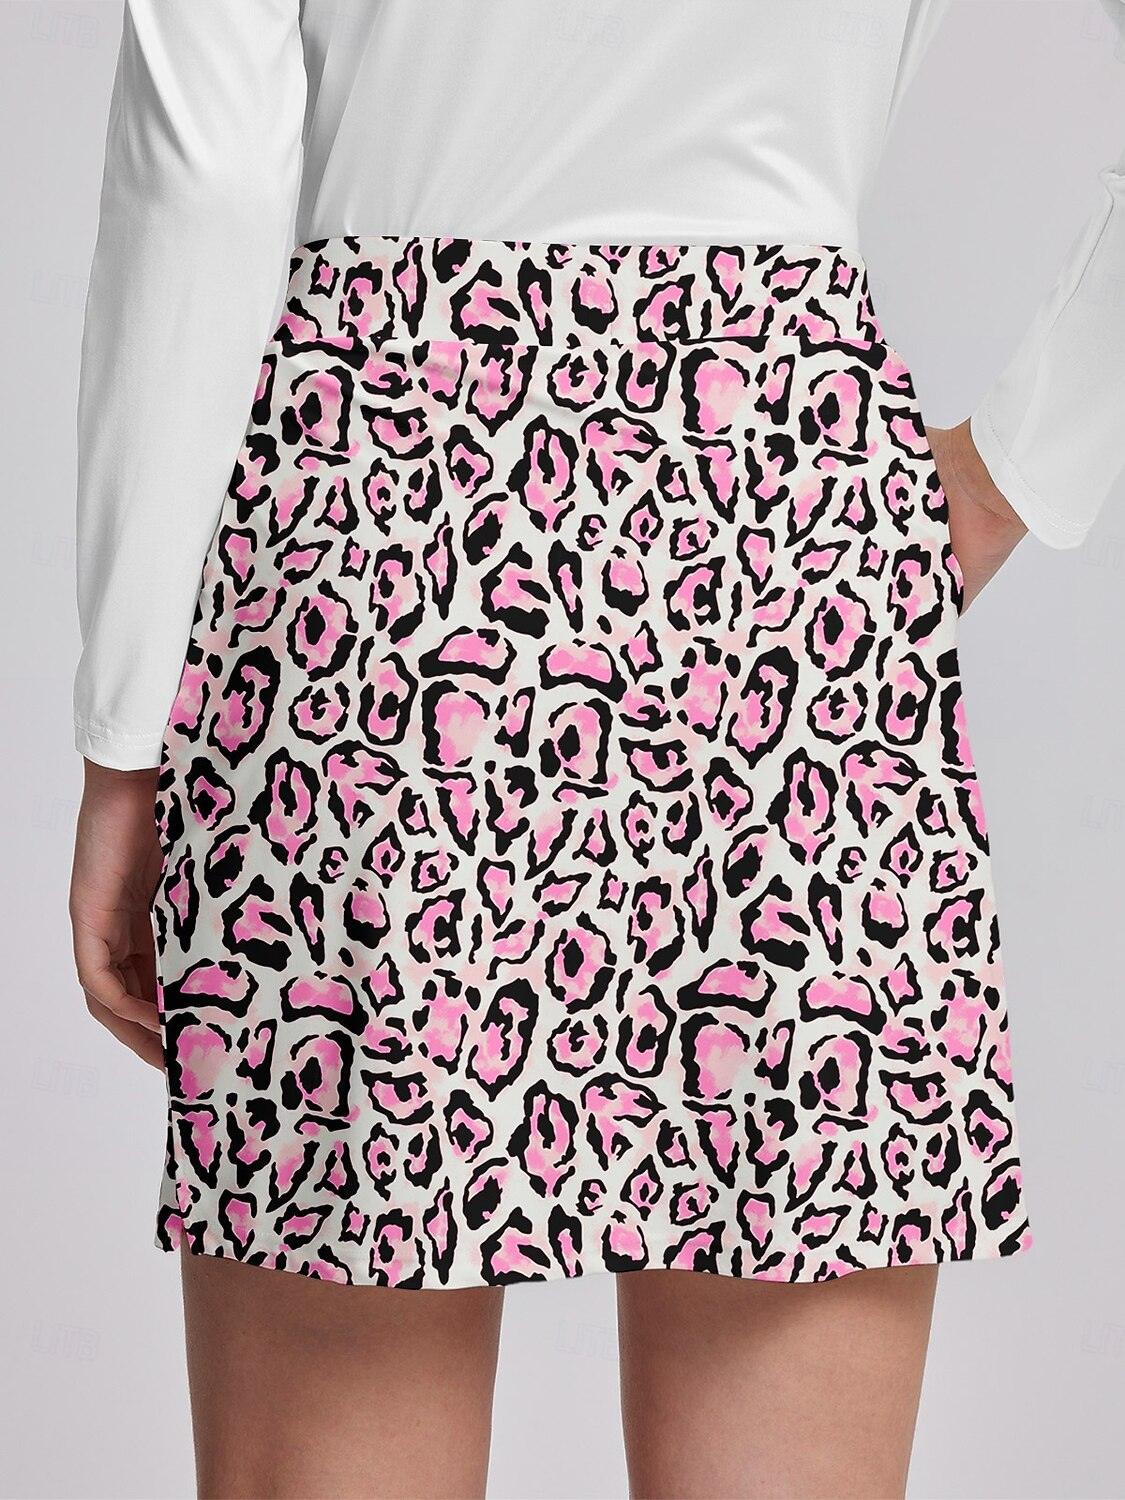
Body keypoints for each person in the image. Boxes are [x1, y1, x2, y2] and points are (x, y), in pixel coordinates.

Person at [68, 2, 1124, 1496]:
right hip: (777, 510)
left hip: (387, 527)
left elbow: (201, 175)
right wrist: (1025, 463)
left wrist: (130, 734)